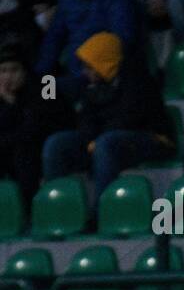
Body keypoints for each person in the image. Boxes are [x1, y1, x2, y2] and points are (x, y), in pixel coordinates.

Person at [40, 32, 174, 205]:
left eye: (90, 67)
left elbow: (129, 119)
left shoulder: (138, 80)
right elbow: (86, 119)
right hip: (104, 140)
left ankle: (101, 212)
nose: (85, 72)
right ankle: (58, 208)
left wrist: (95, 140)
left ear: (104, 63)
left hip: (151, 139)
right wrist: (90, 140)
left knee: (105, 143)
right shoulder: (92, 84)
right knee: (56, 144)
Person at [36, 0, 139, 80]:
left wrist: (92, 69)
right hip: (72, 70)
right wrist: (41, 73)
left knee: (58, 92)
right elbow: (55, 36)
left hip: (100, 75)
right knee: (45, 93)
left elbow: (120, 39)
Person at [0, 45, 72, 201]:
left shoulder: (48, 82)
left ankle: (30, 208)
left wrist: (12, 104)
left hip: (48, 141)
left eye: (14, 70)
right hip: (15, 141)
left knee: (22, 150)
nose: (8, 77)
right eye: (3, 71)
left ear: (25, 70)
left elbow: (39, 126)